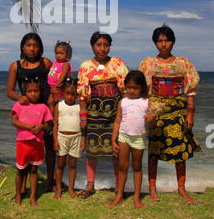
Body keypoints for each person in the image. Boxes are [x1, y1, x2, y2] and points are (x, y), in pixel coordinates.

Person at [139, 24, 202, 204]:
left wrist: (190, 114)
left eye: (166, 40)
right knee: (154, 150)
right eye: (160, 41)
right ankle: (152, 190)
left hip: (178, 110)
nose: (163, 44)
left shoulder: (183, 63)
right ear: (155, 43)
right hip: (156, 111)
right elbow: (144, 91)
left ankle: (181, 189)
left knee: (180, 149)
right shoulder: (148, 63)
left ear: (173, 41)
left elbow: (190, 91)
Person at [77, 32, 129, 198]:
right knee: (92, 149)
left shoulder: (117, 63)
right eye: (98, 45)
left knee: (116, 149)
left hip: (115, 113)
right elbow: (83, 95)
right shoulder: (85, 66)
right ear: (92, 46)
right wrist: (83, 118)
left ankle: (117, 185)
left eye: (106, 45)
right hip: (94, 113)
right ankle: (90, 185)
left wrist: (126, 113)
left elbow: (125, 90)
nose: (102, 48)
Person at [7, 33, 55, 192]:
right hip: (27, 113)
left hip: (45, 110)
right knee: (27, 147)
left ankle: (50, 181)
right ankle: (23, 187)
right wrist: (19, 97)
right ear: (22, 46)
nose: (32, 48)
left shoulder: (46, 63)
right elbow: (9, 91)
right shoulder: (16, 66)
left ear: (40, 47)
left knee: (49, 146)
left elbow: (56, 82)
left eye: (35, 45)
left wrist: (52, 100)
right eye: (28, 45)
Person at [109, 70, 155, 209]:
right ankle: (119, 195)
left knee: (137, 167)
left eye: (135, 88)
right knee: (123, 167)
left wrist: (151, 118)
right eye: (129, 87)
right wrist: (113, 140)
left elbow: (151, 123)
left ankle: (136, 197)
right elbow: (117, 121)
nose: (132, 90)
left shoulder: (146, 103)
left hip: (139, 139)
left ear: (142, 87)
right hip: (123, 137)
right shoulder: (123, 102)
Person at [11, 76, 53, 207]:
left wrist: (41, 126)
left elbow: (49, 125)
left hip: (37, 143)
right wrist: (29, 127)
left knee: (34, 170)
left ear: (40, 91)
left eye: (36, 91)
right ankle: (18, 195)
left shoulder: (43, 107)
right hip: (23, 143)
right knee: (20, 170)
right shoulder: (19, 105)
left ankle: (33, 197)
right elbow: (14, 121)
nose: (33, 94)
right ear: (24, 92)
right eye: (30, 91)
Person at [52, 77, 86, 199]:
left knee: (72, 164)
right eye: (67, 93)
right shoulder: (59, 106)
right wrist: (55, 140)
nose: (70, 97)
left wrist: (83, 139)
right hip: (62, 137)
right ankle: (59, 189)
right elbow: (55, 124)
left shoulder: (79, 107)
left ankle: (71, 188)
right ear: (63, 92)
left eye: (73, 94)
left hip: (76, 137)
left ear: (77, 95)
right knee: (60, 164)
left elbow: (83, 125)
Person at [47, 41, 73, 115]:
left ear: (68, 54)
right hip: (53, 86)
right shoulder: (56, 62)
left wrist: (55, 86)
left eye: (61, 53)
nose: (58, 55)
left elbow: (63, 76)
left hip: (58, 87)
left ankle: (51, 120)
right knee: (51, 102)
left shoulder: (65, 64)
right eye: (56, 53)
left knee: (50, 102)